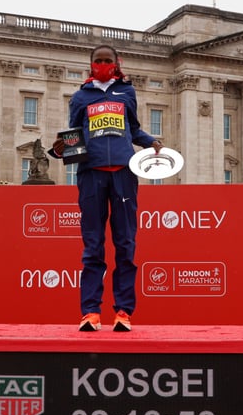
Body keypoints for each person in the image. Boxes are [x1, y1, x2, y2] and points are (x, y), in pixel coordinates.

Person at [51, 46, 162, 332]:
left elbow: (133, 130)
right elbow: (74, 133)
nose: (102, 65)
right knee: (93, 246)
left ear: (116, 64)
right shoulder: (80, 97)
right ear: (91, 65)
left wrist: (152, 142)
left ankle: (123, 312)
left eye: (107, 61)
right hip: (91, 175)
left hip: (124, 173)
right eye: (98, 61)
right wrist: (61, 149)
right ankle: (90, 312)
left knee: (125, 244)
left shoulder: (127, 93)